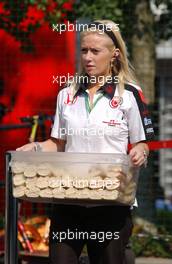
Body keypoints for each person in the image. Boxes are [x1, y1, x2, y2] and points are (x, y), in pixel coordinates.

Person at [17, 20, 154, 264]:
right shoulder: (66, 94)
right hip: (68, 199)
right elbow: (57, 143)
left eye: (95, 51)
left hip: (111, 201)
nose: (88, 57)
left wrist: (140, 153)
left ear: (114, 55)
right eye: (84, 50)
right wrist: (35, 148)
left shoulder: (130, 94)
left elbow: (141, 143)